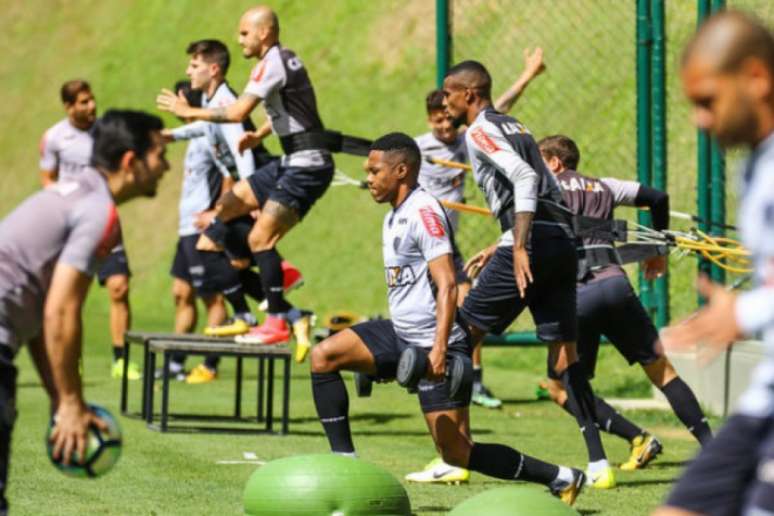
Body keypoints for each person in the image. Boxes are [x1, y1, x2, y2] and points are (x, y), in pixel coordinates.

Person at [309, 133, 586, 506]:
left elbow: (447, 285)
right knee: (324, 356)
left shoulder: (424, 213)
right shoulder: (394, 216)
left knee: (456, 453)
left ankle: (560, 476)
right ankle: (345, 462)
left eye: (375, 171)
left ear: (401, 170)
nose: (369, 178)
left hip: (435, 343)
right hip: (400, 333)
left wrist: (439, 350)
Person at [442, 60, 615, 488]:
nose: (443, 102)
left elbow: (521, 177)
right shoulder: (514, 124)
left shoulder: (479, 131)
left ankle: (455, 454)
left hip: (533, 243)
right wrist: (503, 242)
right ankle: (599, 465)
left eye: (448, 94)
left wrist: (517, 244)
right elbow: (548, 191)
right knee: (565, 359)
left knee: (460, 337)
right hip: (560, 241)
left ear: (468, 95)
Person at [0, 110, 169, 515]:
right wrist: (73, 404)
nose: (166, 166)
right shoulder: (98, 211)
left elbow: (42, 319)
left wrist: (62, 400)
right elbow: (61, 311)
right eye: (160, 155)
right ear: (131, 161)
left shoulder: (74, 193)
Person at [652, 11, 774, 516]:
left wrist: (742, 314)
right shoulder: (755, 167)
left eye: (708, 101)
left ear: (755, 77)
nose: (701, 120)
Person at [537, 134, 711, 471]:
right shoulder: (605, 186)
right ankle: (713, 449)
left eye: (539, 161)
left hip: (577, 296)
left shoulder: (544, 190)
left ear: (555, 163)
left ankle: (606, 456)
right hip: (616, 285)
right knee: (663, 372)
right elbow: (657, 198)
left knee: (562, 384)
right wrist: (656, 249)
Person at [156, 6, 327, 346]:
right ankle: (265, 302)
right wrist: (260, 136)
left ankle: (277, 318)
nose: (239, 40)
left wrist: (187, 111)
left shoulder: (271, 64)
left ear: (264, 33)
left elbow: (236, 113)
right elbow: (292, 110)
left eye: (245, 33)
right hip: (291, 161)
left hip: (305, 166)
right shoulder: (279, 62)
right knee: (222, 218)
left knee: (258, 238)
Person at [414, 48, 546, 412]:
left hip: (450, 244)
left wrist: (528, 75)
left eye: (447, 118)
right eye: (437, 120)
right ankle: (416, 366)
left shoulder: (466, 138)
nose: (444, 126)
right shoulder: (420, 148)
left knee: (466, 304)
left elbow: (494, 106)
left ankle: (470, 382)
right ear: (429, 121)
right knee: (440, 310)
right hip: (428, 241)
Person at [39, 80, 140, 381]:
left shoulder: (107, 132)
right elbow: (46, 177)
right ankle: (73, 359)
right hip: (72, 225)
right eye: (83, 102)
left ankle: (122, 361)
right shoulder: (54, 137)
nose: (91, 106)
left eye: (92, 99)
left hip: (106, 221)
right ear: (69, 107)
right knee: (71, 296)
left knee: (119, 287)